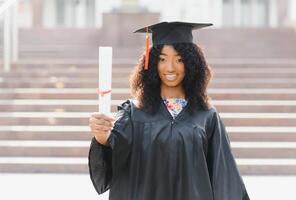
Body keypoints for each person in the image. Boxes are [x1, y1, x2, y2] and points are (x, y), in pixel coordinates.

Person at [88, 21, 250, 200]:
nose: (170, 67)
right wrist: (102, 137)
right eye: (162, 59)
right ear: (152, 64)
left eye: (179, 59)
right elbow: (116, 152)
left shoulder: (207, 116)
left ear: (191, 64)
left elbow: (224, 177)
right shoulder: (133, 112)